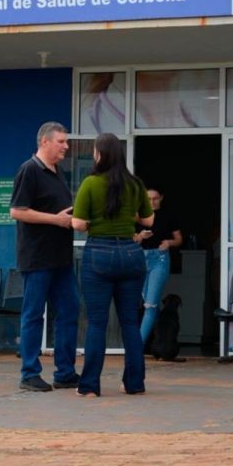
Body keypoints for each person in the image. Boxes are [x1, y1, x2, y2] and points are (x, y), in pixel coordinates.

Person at [71, 132, 154, 397]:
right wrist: (129, 217)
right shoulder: (135, 184)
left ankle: (89, 386)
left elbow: (77, 223)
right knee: (130, 322)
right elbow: (148, 221)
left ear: (99, 154)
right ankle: (134, 383)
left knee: (97, 323)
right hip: (131, 254)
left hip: (99, 253)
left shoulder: (90, 183)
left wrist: (94, 222)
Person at [8, 121, 81, 392]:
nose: (66, 146)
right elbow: (17, 211)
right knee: (34, 314)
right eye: (61, 141)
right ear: (44, 142)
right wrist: (55, 220)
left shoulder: (57, 172)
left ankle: (65, 372)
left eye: (66, 141)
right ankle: (29, 373)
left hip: (61, 258)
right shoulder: (29, 170)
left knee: (70, 310)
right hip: (37, 257)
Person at [135, 185, 182, 346]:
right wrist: (140, 236)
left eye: (155, 198)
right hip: (140, 259)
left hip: (159, 259)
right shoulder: (138, 216)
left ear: (161, 198)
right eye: (148, 199)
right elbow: (130, 240)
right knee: (149, 304)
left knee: (150, 305)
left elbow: (179, 239)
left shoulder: (169, 215)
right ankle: (160, 341)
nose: (152, 202)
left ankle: (137, 346)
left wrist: (169, 243)